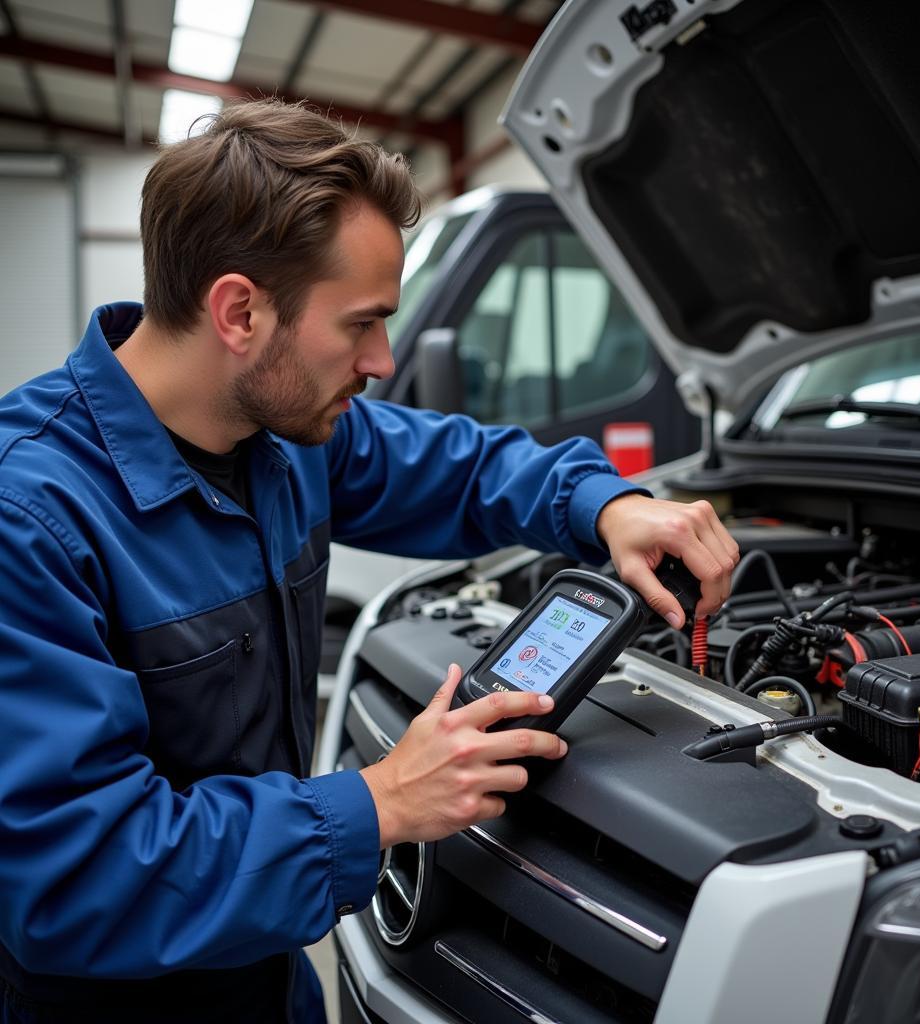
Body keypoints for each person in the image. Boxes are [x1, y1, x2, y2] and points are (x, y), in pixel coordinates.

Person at [0, 99, 738, 1023]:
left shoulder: (283, 435)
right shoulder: (29, 518)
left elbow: (461, 469)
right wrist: (379, 803)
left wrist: (610, 504)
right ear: (239, 312)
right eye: (360, 324)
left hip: (270, 979)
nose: (383, 360)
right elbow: (73, 881)